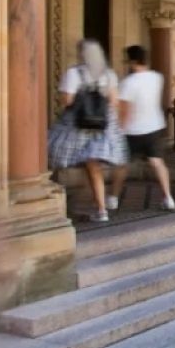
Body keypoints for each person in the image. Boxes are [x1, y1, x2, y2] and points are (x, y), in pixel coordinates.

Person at [48, 39, 128, 223]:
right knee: (94, 167)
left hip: (76, 126)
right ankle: (101, 210)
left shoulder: (74, 73)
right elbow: (114, 101)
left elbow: (67, 100)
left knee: (52, 157)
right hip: (100, 127)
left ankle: (51, 203)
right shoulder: (109, 75)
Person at [109, 45, 175, 212]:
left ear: (131, 61)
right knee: (157, 162)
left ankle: (113, 198)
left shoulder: (128, 83)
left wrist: (119, 130)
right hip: (154, 126)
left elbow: (125, 111)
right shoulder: (156, 78)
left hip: (133, 130)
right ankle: (168, 198)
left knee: (121, 165)